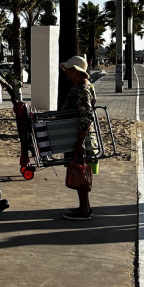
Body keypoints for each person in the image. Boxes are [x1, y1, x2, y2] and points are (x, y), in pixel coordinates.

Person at [60, 55, 96, 221]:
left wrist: (79, 141)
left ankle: (84, 210)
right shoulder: (86, 86)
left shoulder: (81, 89)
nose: (66, 72)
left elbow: (86, 114)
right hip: (81, 136)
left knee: (80, 171)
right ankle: (85, 207)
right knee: (81, 171)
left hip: (80, 137)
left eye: (69, 70)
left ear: (77, 71)